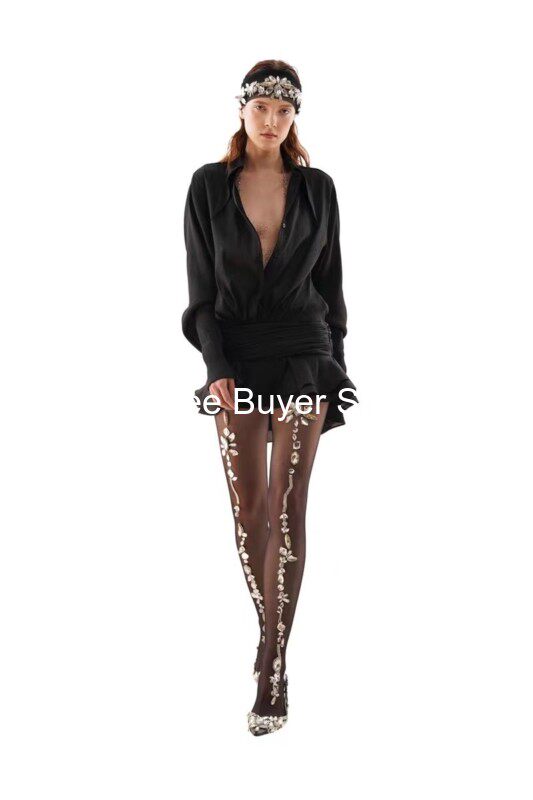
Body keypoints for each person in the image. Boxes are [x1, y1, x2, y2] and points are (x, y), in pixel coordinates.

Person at [181, 60, 359, 735]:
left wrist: (336, 368)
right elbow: (201, 294)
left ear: (294, 119)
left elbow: (332, 285)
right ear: (242, 109)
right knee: (249, 511)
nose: (271, 120)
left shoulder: (318, 188)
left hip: (304, 358)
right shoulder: (208, 185)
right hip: (235, 360)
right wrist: (215, 366)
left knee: (287, 508)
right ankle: (270, 634)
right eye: (261, 107)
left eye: (284, 111)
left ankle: (273, 668)